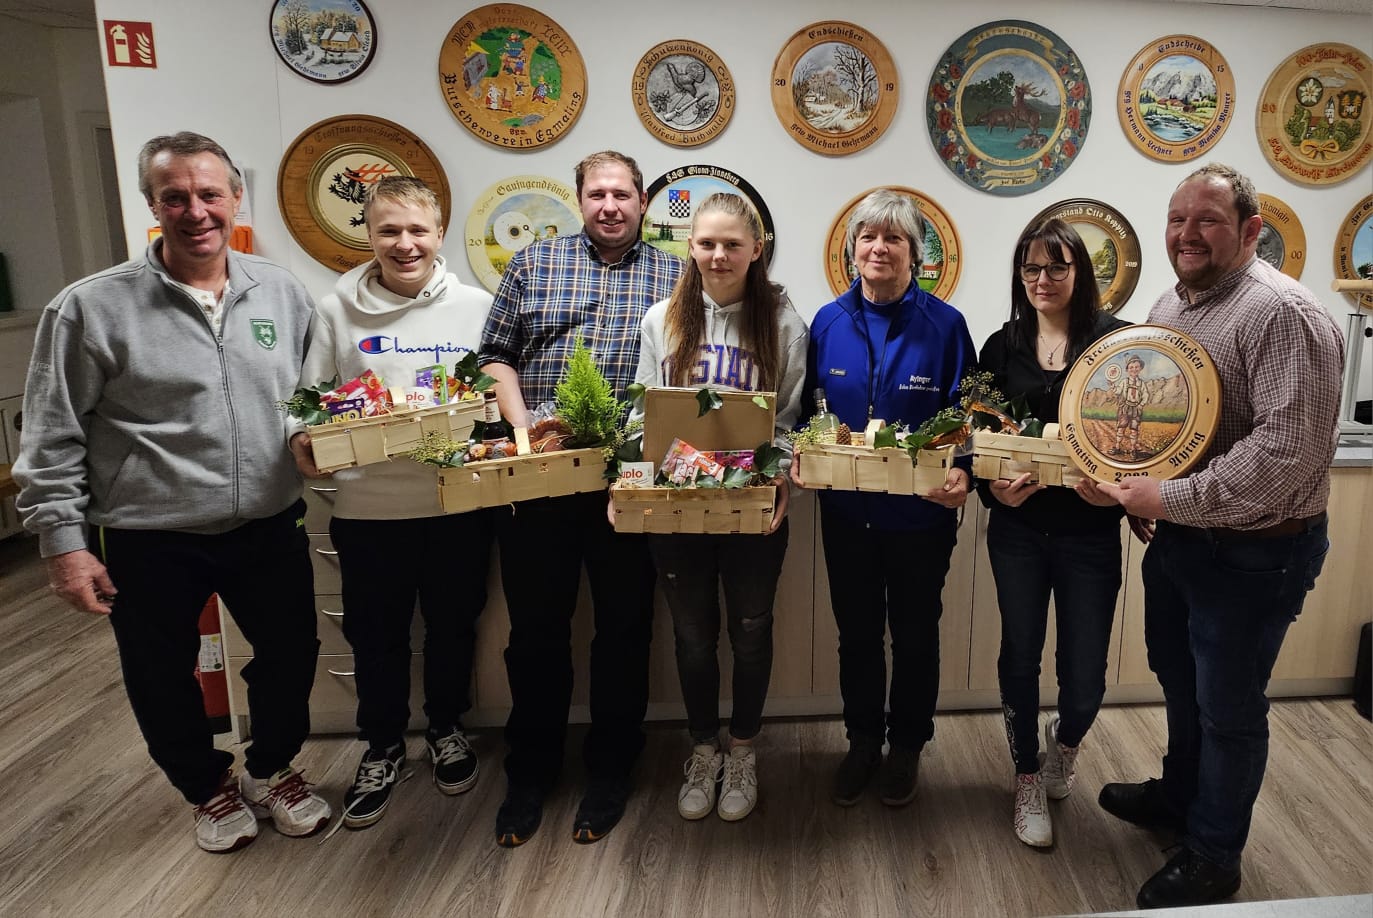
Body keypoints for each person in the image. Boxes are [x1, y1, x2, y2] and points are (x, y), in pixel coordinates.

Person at [12, 131, 330, 853]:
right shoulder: (89, 308)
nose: (195, 212)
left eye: (209, 194)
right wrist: (63, 545)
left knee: (290, 655)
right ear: (152, 205)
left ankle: (273, 767)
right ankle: (206, 787)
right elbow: (52, 434)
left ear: (235, 197)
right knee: (161, 675)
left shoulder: (280, 291)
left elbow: (309, 397)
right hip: (147, 533)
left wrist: (313, 437)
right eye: (174, 197)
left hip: (267, 520)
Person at [1099, 163, 1342, 909]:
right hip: (1183, 541)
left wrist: (1167, 497)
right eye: (1177, 220)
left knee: (1229, 708)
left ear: (1249, 230)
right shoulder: (1170, 302)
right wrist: (1134, 483)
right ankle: (1180, 797)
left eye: (1206, 220)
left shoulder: (1281, 313)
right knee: (1181, 682)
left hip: (1255, 552)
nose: (1186, 234)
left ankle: (1213, 855)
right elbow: (1161, 417)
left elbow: (1284, 456)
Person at [478, 150, 683, 847]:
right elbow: (495, 355)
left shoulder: (675, 275)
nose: (609, 206)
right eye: (597, 194)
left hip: (631, 479)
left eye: (622, 194)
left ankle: (611, 768)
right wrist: (522, 433)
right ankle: (531, 770)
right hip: (540, 480)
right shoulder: (534, 264)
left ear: (643, 202)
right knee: (536, 632)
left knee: (624, 629)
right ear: (579, 199)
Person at [288, 176, 494, 830]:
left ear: (439, 233)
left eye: (417, 230)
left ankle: (446, 729)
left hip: (457, 506)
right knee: (376, 638)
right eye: (388, 231)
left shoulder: (477, 306)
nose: (404, 244)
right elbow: (308, 400)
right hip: (368, 509)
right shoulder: (334, 309)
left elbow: (496, 398)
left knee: (453, 629)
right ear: (369, 236)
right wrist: (300, 437)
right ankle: (381, 746)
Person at [792, 188, 976, 808]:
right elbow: (807, 409)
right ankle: (864, 742)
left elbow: (968, 415)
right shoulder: (827, 322)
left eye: (894, 237)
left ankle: (907, 748)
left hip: (921, 517)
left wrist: (966, 474)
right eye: (868, 236)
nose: (879, 247)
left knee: (916, 636)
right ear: (852, 250)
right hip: (847, 515)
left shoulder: (946, 325)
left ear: (914, 253)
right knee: (858, 635)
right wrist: (802, 451)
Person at [627, 193, 807, 822]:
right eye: (707, 243)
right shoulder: (662, 319)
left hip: (752, 509)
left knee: (751, 630)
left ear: (757, 248)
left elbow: (790, 419)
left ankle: (744, 748)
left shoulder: (783, 324)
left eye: (732, 244)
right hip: (679, 508)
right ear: (690, 246)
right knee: (693, 636)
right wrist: (630, 478)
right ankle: (704, 748)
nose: (719, 255)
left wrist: (778, 476)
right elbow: (641, 413)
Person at [975, 218, 1129, 848]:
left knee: (1085, 675)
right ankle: (1026, 775)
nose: (1043, 279)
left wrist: (1116, 491)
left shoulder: (1116, 344)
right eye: (1031, 268)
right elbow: (975, 431)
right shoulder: (999, 347)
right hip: (1017, 530)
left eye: (1057, 267)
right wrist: (992, 489)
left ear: (1079, 273)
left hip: (1089, 534)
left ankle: (1065, 744)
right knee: (1020, 653)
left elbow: (1140, 440)